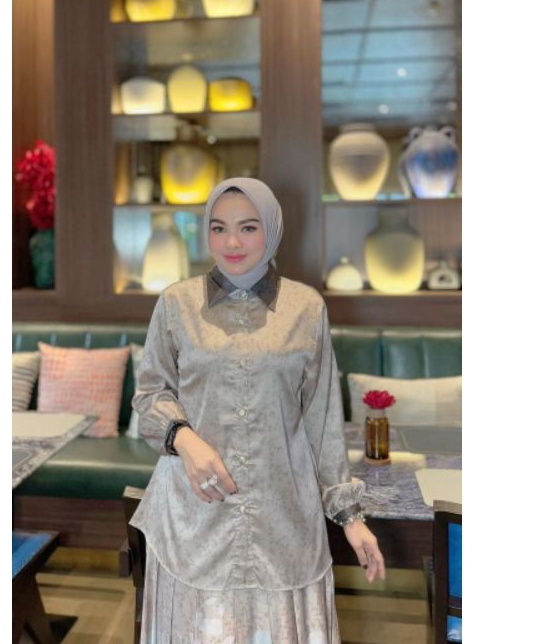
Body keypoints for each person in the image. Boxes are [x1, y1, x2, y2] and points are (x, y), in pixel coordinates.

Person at [130, 177, 385, 643]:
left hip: (282, 519)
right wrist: (184, 439)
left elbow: (323, 419)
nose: (232, 242)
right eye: (219, 228)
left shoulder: (306, 308)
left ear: (272, 229)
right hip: (195, 518)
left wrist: (351, 517)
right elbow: (149, 395)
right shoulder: (176, 304)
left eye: (248, 227)